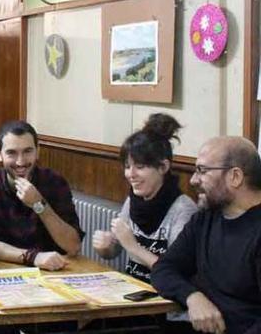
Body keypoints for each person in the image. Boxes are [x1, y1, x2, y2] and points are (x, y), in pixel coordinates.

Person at [152, 136, 261, 334]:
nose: (193, 180)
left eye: (202, 171)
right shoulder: (204, 219)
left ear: (235, 177)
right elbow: (163, 269)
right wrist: (193, 297)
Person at [93, 114, 197, 283]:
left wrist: (134, 247)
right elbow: (114, 252)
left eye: (140, 167)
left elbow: (176, 273)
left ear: (163, 167)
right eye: (127, 167)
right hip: (134, 292)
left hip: (167, 302)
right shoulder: (134, 199)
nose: (131, 175)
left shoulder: (183, 210)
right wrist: (105, 246)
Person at [0, 120, 83, 271]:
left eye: (27, 151)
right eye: (11, 153)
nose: (20, 162)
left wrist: (39, 204)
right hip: (2, 269)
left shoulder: (55, 182)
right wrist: (33, 257)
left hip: (53, 269)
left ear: (37, 151)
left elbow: (73, 246)